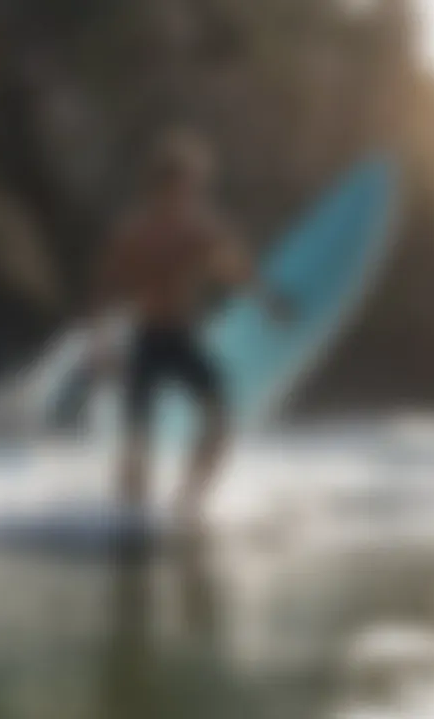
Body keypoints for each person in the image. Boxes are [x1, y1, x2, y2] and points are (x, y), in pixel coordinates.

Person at [89, 129, 289, 526]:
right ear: (172, 184)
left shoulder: (158, 232)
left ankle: (177, 505)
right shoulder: (162, 233)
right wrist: (270, 301)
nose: (197, 189)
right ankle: (153, 513)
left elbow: (231, 270)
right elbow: (107, 289)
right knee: (146, 440)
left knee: (210, 420)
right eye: (192, 182)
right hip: (157, 340)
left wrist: (266, 299)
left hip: (166, 340)